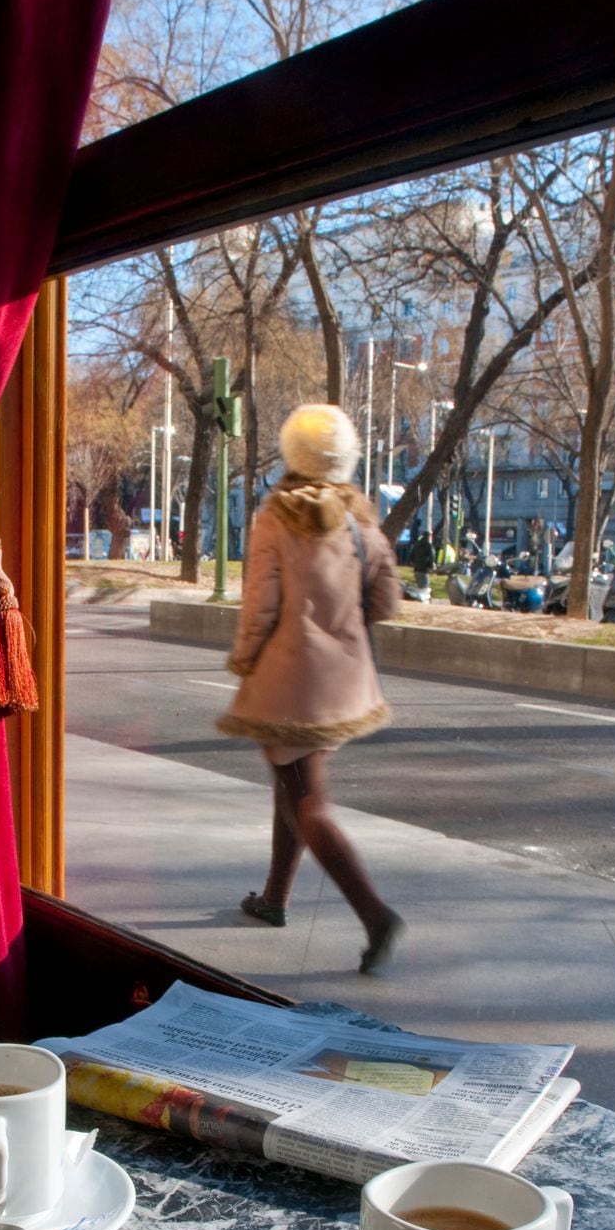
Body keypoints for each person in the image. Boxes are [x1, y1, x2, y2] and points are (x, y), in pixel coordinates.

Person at [217, 403, 403, 973]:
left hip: (292, 678)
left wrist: (244, 661)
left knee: (306, 802)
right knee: (291, 783)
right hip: (343, 682)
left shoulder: (277, 516)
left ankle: (375, 915)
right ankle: (274, 899)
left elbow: (261, 607)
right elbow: (387, 600)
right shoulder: (360, 519)